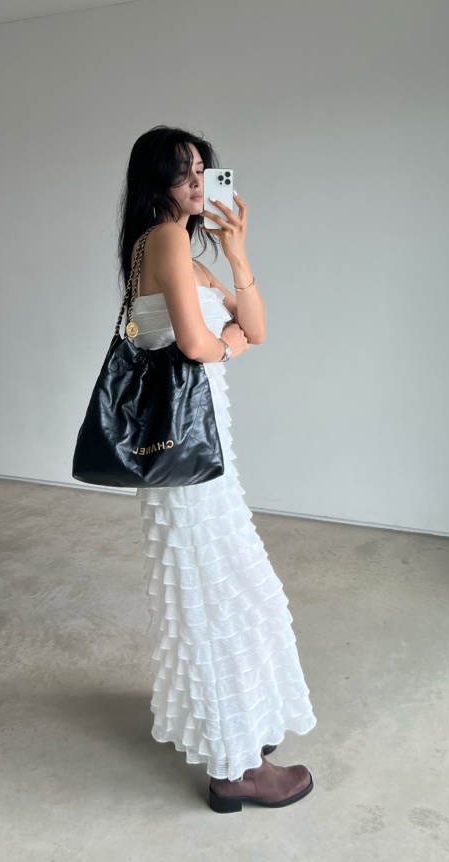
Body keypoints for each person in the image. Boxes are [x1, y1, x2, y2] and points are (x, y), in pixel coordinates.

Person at [116, 125, 317, 812]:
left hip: (205, 458)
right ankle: (235, 771)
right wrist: (226, 344)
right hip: (186, 464)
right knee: (221, 596)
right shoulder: (164, 240)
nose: (199, 183)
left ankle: (235, 733)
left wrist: (237, 254)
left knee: (224, 594)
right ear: (157, 182)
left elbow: (255, 328)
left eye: (204, 169)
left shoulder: (183, 249)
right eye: (184, 172)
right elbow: (201, 344)